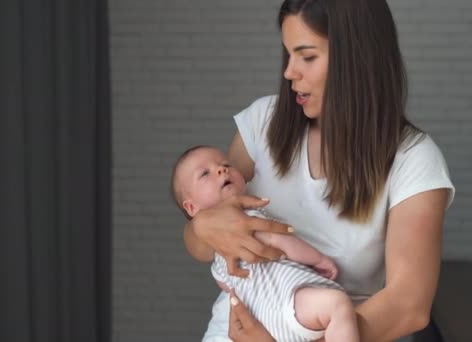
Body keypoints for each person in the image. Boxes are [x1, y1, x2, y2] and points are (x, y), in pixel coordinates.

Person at [183, 0, 456, 341]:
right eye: (288, 55)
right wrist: (202, 227)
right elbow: (202, 243)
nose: (289, 72)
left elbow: (408, 305)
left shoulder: (414, 160)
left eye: (307, 57)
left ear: (357, 60)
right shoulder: (261, 124)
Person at [171, 145, 359, 342]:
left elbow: (228, 287)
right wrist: (319, 259)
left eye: (225, 164)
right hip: (288, 306)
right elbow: (282, 242)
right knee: (338, 306)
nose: (221, 169)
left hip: (255, 320)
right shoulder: (244, 219)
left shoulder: (217, 261)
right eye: (204, 173)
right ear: (191, 207)